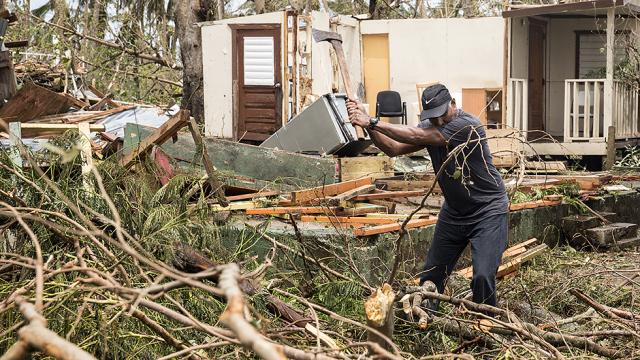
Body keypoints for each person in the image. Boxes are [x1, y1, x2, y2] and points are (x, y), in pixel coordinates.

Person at [346, 84, 509, 308]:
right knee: (431, 277)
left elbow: (416, 134)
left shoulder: (468, 125)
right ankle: (425, 322)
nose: (439, 121)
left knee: (482, 276)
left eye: (442, 114)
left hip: (487, 210)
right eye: (433, 117)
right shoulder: (429, 127)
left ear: (453, 104)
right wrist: (366, 126)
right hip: (454, 212)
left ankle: (485, 327)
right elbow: (393, 148)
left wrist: (371, 121)